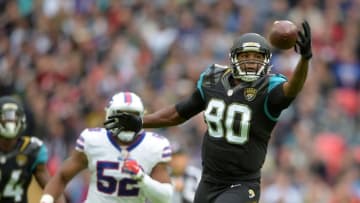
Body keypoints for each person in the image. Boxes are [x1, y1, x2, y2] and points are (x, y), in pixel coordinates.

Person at [132, 21, 311, 203]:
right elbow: (177, 113)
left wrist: (304, 59)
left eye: (257, 57)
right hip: (209, 181)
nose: (251, 62)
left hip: (242, 184)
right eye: (245, 56)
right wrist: (139, 122)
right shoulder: (213, 80)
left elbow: (292, 89)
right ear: (233, 58)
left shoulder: (267, 89)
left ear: (265, 61)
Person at [39, 92, 173, 203]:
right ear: (109, 115)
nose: (126, 123)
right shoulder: (93, 140)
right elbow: (62, 176)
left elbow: (165, 197)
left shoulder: (154, 146)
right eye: (121, 116)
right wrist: (46, 200)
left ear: (141, 118)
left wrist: (141, 178)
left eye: (132, 117)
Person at [0, 96, 65, 203]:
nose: (10, 121)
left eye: (13, 117)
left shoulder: (30, 150)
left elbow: (53, 191)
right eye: (6, 117)